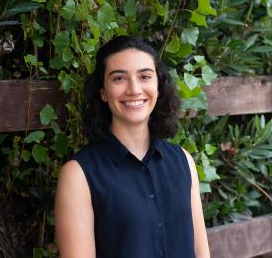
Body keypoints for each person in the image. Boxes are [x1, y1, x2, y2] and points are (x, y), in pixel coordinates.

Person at [55, 36, 210, 258]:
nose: (134, 89)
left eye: (145, 76)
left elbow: (201, 253)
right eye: (119, 78)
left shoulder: (183, 161)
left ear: (158, 86)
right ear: (102, 92)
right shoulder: (78, 174)